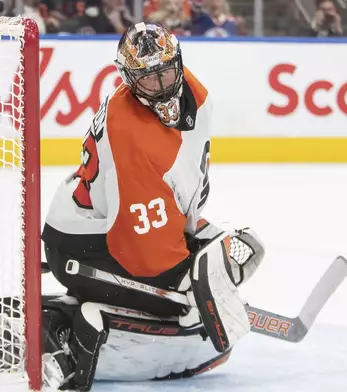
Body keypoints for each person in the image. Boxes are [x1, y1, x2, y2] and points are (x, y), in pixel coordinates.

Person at [30, 22, 263, 390]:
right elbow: (136, 248)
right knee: (180, 303)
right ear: (127, 79)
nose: (161, 87)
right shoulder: (132, 139)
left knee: (199, 273)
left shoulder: (196, 95)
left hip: (115, 219)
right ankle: (74, 327)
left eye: (166, 73)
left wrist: (199, 234)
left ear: (178, 62)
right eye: (147, 80)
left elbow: (175, 187)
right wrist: (189, 280)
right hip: (86, 244)